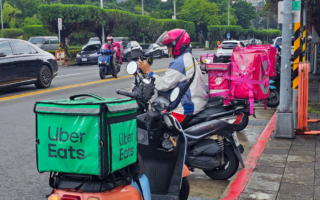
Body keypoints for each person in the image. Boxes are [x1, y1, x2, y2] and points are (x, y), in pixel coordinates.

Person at [137, 29, 208, 127]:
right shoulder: (189, 58)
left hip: (187, 108)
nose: (168, 49)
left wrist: (148, 71)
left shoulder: (179, 63)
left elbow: (163, 85)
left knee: (160, 127)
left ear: (176, 45)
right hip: (198, 102)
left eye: (169, 46)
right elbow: (172, 80)